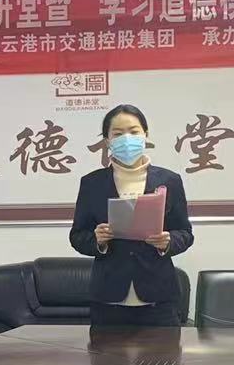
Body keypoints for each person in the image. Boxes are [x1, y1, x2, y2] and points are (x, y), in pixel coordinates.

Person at [69, 103, 194, 327]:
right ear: (107, 140)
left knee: (164, 352)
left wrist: (168, 242)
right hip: (108, 299)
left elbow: (185, 233)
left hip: (159, 298)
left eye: (134, 132)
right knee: (106, 352)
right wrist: (98, 241)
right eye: (118, 134)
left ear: (145, 134)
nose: (126, 139)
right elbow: (77, 236)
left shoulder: (169, 180)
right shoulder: (92, 183)